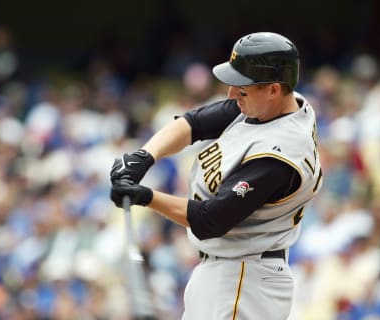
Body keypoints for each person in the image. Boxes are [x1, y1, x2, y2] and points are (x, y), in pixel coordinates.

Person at [110, 32, 323, 320]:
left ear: (273, 89)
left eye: (242, 89)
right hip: (228, 273)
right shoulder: (273, 106)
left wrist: (145, 197)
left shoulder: (279, 153)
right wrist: (143, 157)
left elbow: (211, 220)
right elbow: (195, 123)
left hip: (245, 280)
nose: (232, 95)